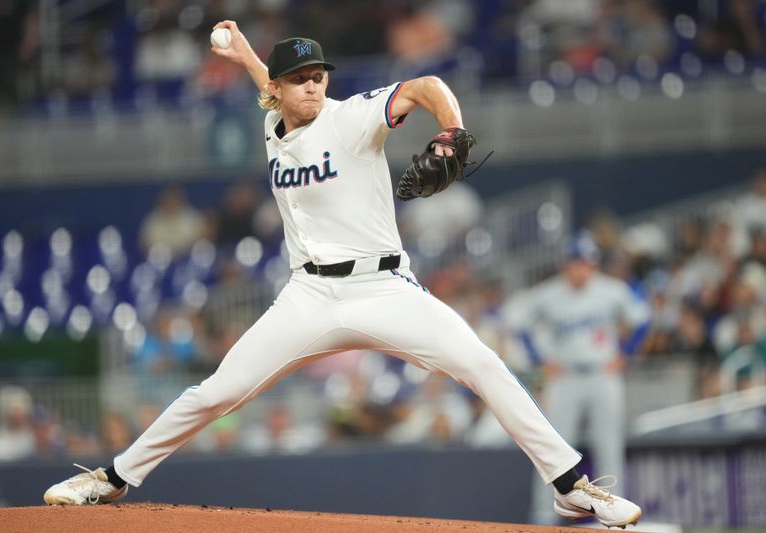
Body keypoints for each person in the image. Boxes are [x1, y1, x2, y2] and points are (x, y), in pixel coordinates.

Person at [43, 22, 642, 528]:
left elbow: (426, 85)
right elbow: (269, 92)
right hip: (309, 295)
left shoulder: (353, 117)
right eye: (299, 78)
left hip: (383, 287)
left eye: (319, 75)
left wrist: (451, 130)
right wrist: (246, 54)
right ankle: (114, 478)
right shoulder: (274, 124)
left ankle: (570, 483)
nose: (312, 85)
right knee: (217, 393)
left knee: (482, 364)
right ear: (278, 88)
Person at [503, 231, 650, 525]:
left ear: (593, 264)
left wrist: (625, 354)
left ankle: (614, 516)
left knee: (610, 444)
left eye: (585, 262)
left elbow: (642, 320)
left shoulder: (611, 290)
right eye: (575, 262)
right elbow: (519, 326)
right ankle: (543, 516)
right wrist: (540, 362)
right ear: (566, 265)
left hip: (602, 374)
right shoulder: (549, 294)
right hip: (566, 378)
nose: (580, 268)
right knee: (551, 449)